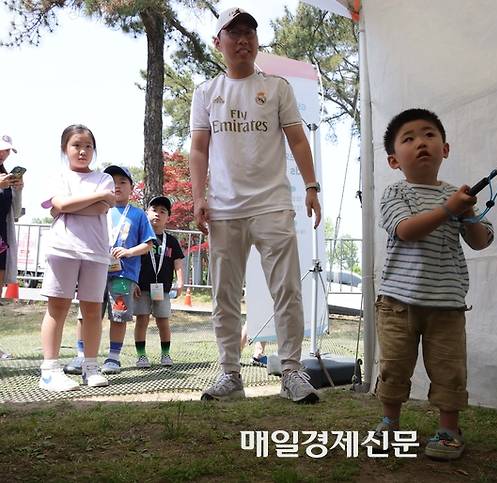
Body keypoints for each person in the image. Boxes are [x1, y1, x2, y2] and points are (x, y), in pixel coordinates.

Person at [189, 7, 322, 403]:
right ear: (219, 43)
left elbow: (298, 139)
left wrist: (312, 185)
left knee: (287, 290)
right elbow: (198, 149)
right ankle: (230, 375)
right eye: (234, 34)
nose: (243, 40)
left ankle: (292, 372)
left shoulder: (278, 88)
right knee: (224, 295)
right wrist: (198, 197)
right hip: (224, 210)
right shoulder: (206, 92)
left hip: (273, 205)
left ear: (256, 41)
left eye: (249, 33)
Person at [373, 108, 494, 460]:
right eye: (408, 138)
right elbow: (406, 230)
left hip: (447, 305)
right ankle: (389, 423)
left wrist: (468, 213)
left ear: (445, 149)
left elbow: (481, 241)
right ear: (395, 160)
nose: (420, 142)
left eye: (429, 134)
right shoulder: (395, 194)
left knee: (448, 368)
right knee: (394, 366)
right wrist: (448, 209)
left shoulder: (459, 195)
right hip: (397, 302)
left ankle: (448, 430)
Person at [38, 125, 116, 391]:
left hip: (96, 252)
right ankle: (49, 369)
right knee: (57, 308)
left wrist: (70, 205)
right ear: (65, 148)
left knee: (93, 311)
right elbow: (59, 205)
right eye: (76, 145)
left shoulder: (104, 178)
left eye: (88, 146)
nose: (83, 151)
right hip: (63, 249)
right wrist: (90, 203)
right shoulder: (58, 175)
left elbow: (103, 207)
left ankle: (91, 366)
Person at [64, 165, 155, 376]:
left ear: (132, 188)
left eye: (123, 182)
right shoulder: (97, 208)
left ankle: (113, 358)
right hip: (93, 269)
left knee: (119, 314)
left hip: (123, 274)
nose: (117, 186)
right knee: (85, 313)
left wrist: (130, 252)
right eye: (112, 182)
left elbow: (149, 244)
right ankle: (81, 355)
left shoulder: (138, 214)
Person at [133, 196, 185, 368]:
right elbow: (132, 261)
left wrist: (180, 282)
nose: (158, 214)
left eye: (163, 211)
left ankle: (165, 354)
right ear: (146, 213)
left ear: (168, 217)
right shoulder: (140, 237)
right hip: (141, 288)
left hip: (162, 289)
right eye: (154, 210)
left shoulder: (172, 241)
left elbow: (178, 262)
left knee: (163, 320)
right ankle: (141, 356)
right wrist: (133, 282)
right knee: (142, 320)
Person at [0, 134, 23, 359]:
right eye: (2, 149)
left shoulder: (5, 175)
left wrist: (18, 189)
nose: (4, 153)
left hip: (2, 242)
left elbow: (15, 213)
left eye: (7, 150)